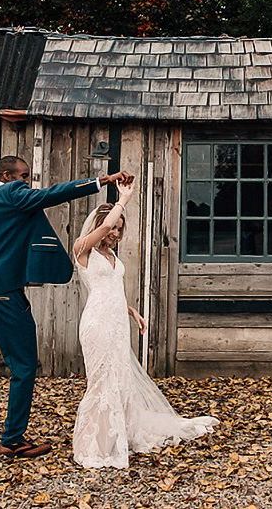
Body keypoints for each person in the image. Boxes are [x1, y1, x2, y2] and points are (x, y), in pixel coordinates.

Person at [0, 155, 132, 458]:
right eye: (23, 176)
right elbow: (52, 194)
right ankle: (13, 439)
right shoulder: (12, 193)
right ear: (6, 175)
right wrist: (102, 181)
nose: (27, 182)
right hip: (5, 292)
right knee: (25, 365)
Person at [72, 179, 219, 468]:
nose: (114, 233)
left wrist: (132, 312)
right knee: (102, 383)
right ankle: (96, 444)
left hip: (117, 323)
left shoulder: (111, 256)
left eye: (119, 228)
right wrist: (122, 200)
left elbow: (111, 290)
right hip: (97, 324)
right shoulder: (82, 249)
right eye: (112, 227)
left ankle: (118, 434)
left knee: (120, 380)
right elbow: (101, 232)